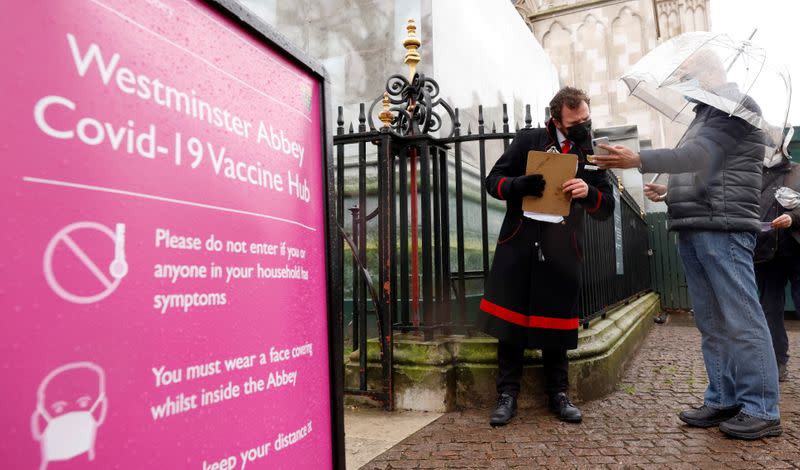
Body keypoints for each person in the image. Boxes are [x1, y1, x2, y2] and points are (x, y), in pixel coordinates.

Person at [593, 51, 782, 439]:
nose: (681, 83)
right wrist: (669, 190)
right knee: (712, 322)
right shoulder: (705, 114)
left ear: (710, 70)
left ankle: (762, 407)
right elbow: (705, 169)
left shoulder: (737, 106)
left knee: (741, 318)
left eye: (686, 74)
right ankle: (723, 397)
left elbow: (698, 156)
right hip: (697, 222)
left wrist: (637, 159)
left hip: (723, 226)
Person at [480, 86, 614, 426]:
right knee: (510, 326)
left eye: (586, 119)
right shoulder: (529, 140)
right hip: (519, 243)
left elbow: (607, 208)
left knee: (556, 326)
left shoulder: (593, 151)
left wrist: (589, 192)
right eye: (575, 122)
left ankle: (559, 393)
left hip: (562, 248)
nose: (583, 127)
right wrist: (519, 185)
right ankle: (506, 395)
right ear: (556, 119)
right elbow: (493, 181)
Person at [754, 137, 800, 383]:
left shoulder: (798, 171)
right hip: (765, 252)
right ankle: (778, 361)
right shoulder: (754, 177)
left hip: (796, 249)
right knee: (770, 310)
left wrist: (793, 216)